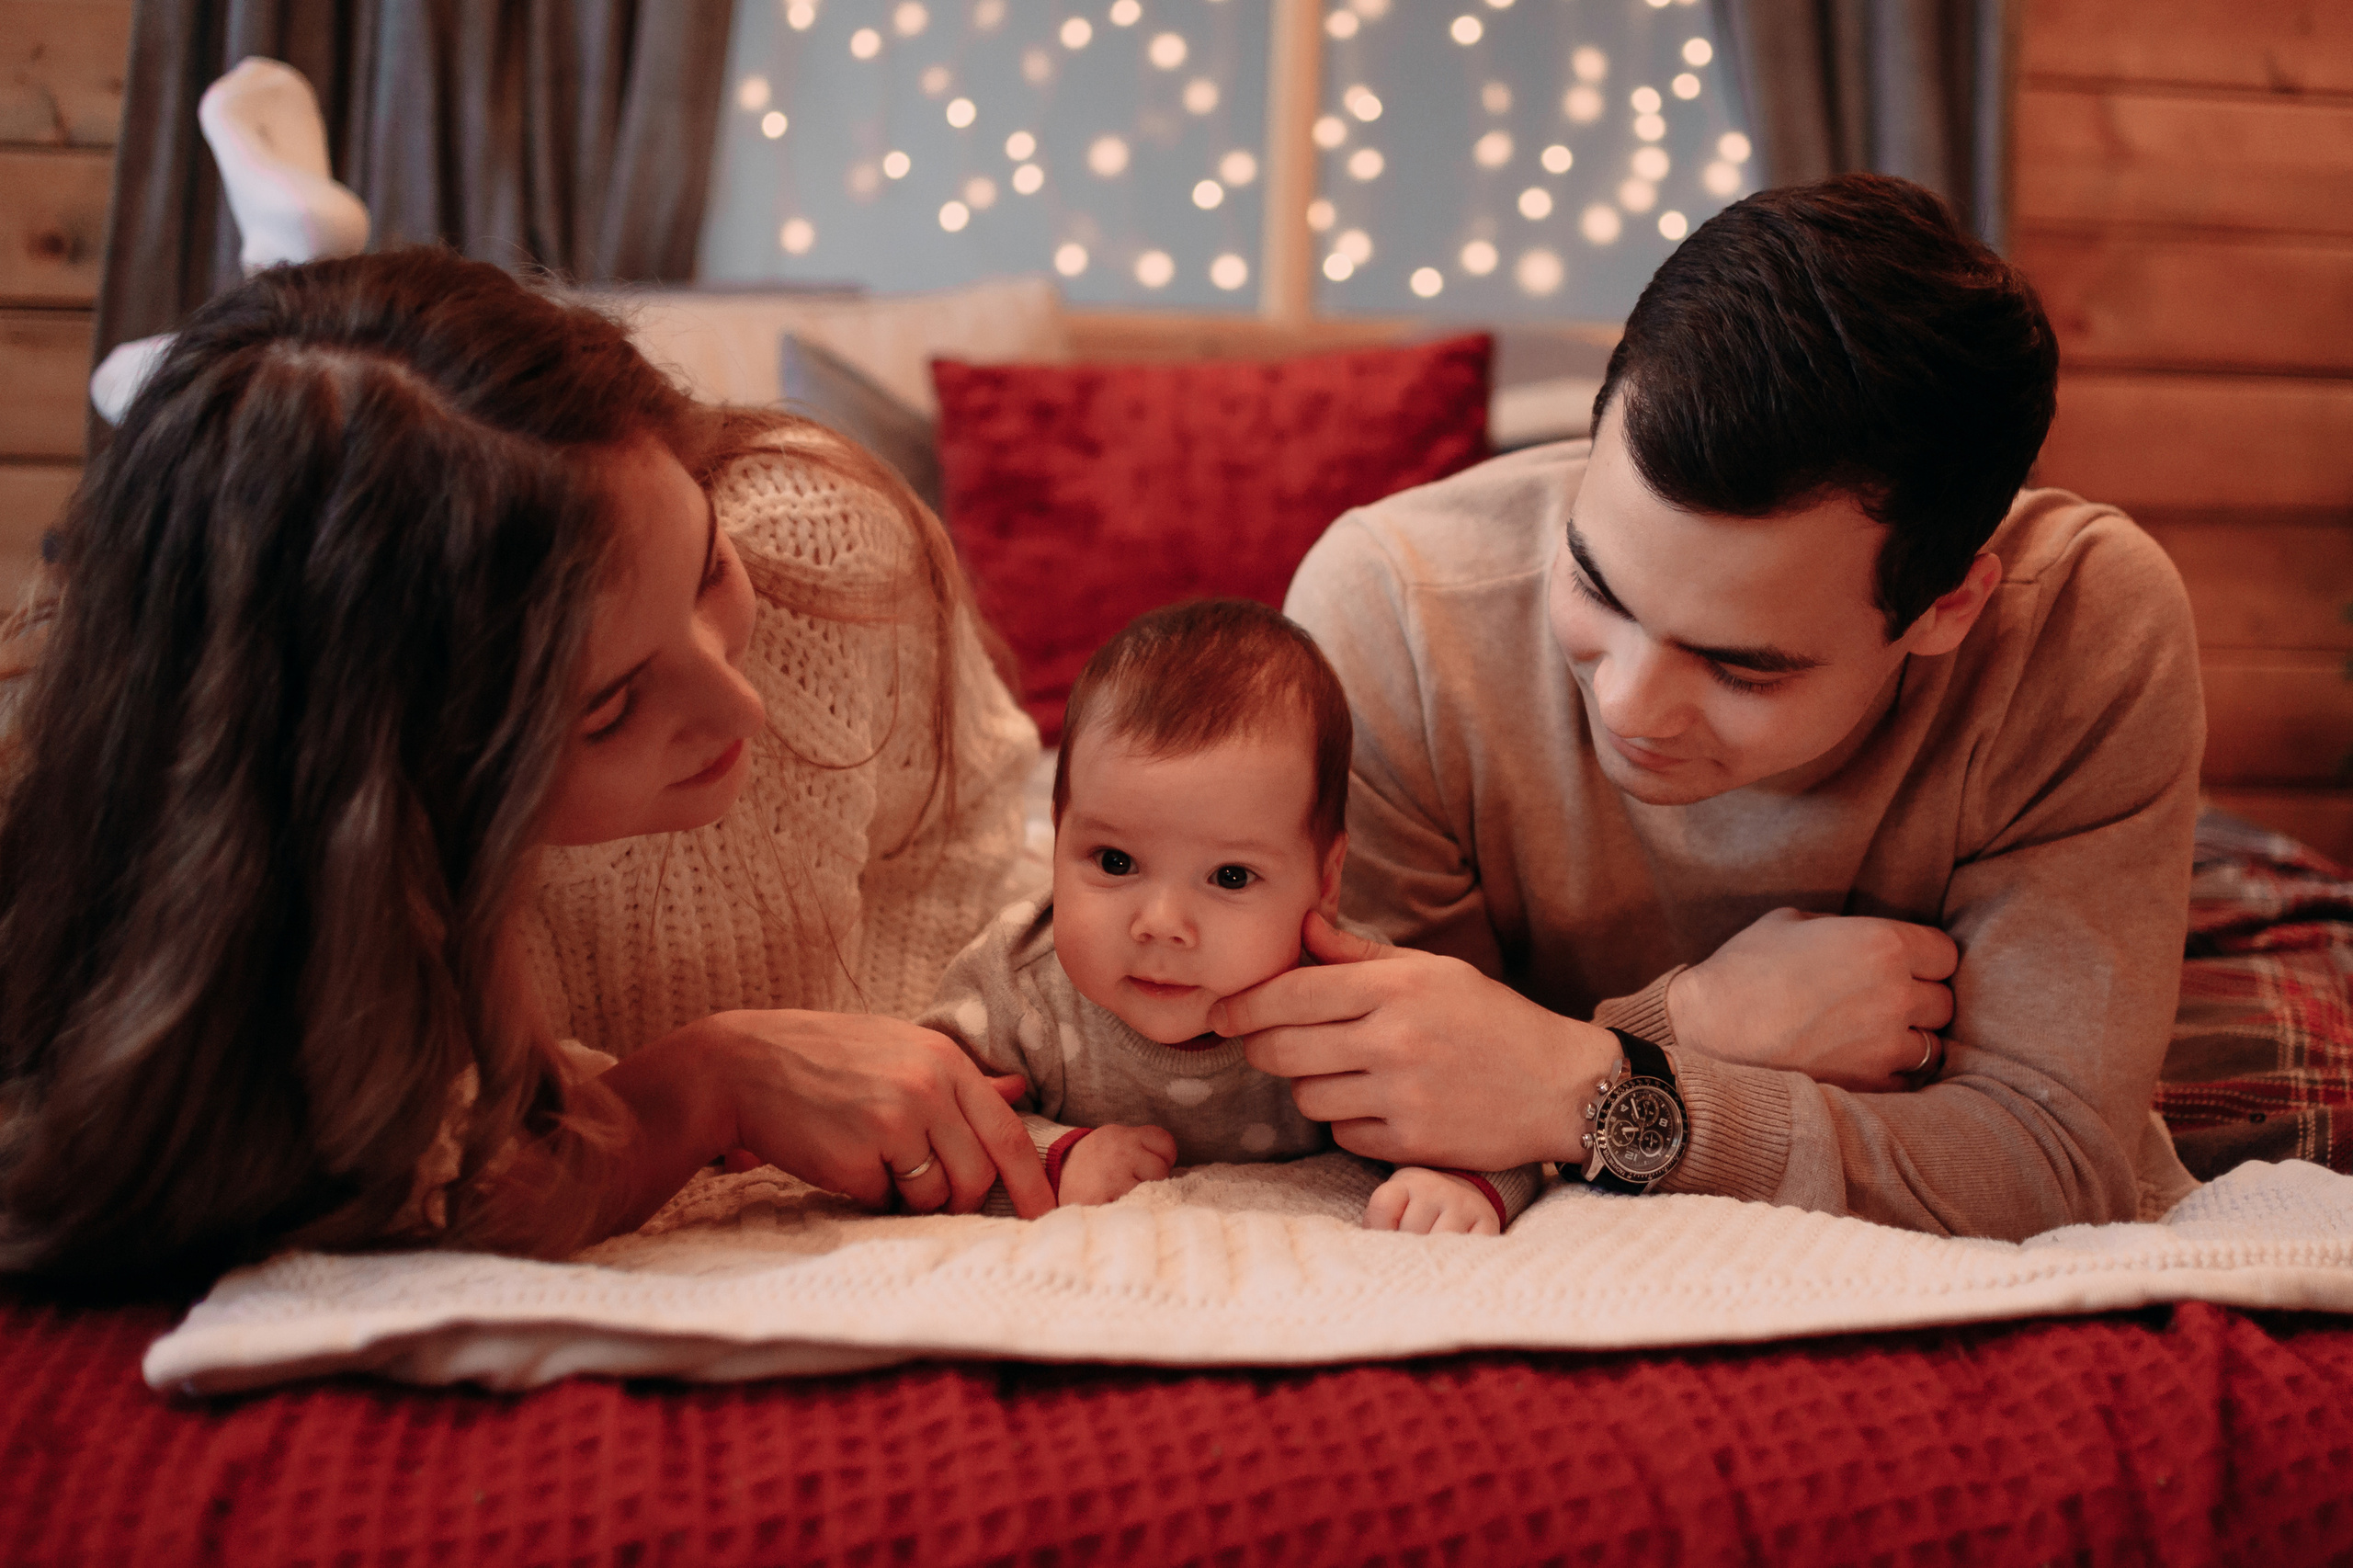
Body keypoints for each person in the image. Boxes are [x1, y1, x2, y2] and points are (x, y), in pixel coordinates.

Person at [0, 250, 1056, 1290]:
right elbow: (406, 1178)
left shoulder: (817, 548)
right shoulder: (262, 897)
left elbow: (977, 858)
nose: (740, 707)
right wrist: (701, 1086)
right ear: (385, 797)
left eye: (705, 569)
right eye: (605, 707)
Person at [1228, 174, 2202, 1240]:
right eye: (1595, 584)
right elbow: (1400, 1091)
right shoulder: (1394, 612)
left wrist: (1587, 1086)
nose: (1630, 702)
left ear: (1945, 607)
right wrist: (1694, 1023)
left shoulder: (2080, 629)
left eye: (1744, 668)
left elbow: (2051, 1165)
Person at [921, 600, 1543, 1233]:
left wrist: (1461, 1185)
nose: (1161, 923)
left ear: (1325, 882)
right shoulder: (1019, 985)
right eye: (1114, 861)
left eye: (1230, 877)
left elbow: (1500, 1117)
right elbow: (924, 1129)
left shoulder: (1351, 1003)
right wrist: (1054, 1159)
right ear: (1057, 840)